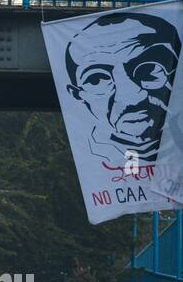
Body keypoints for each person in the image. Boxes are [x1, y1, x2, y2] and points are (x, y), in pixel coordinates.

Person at [61, 11, 180, 167]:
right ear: (77, 94)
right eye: (97, 79)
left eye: (150, 69)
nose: (132, 97)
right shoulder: (91, 155)